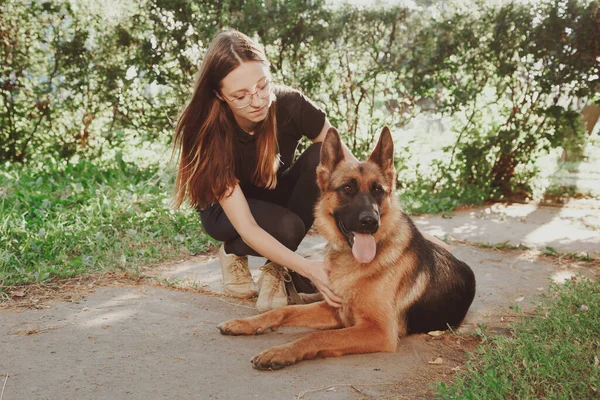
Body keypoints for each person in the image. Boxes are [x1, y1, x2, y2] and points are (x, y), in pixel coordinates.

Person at [171, 30, 351, 313]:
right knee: (287, 228)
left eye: (262, 86)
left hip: (272, 192)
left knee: (326, 156)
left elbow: (352, 170)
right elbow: (248, 226)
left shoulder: (291, 104)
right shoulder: (206, 131)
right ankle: (232, 250)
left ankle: (275, 270)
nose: (257, 102)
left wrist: (394, 223)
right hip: (225, 212)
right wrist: (306, 268)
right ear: (220, 95)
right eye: (240, 96)